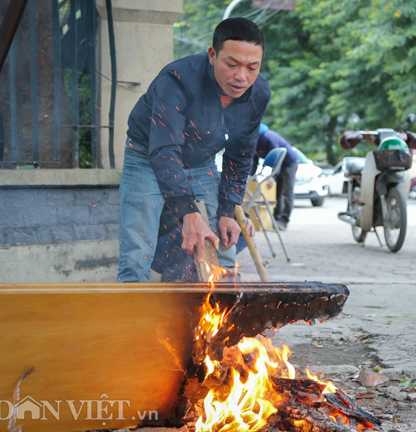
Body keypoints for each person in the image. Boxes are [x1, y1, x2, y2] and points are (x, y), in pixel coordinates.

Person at [117, 18, 271, 283]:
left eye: (252, 67)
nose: (241, 76)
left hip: (201, 163)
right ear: (213, 55)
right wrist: (189, 212)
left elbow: (241, 153)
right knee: (136, 254)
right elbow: (164, 150)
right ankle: (133, 320)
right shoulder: (176, 80)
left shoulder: (258, 94)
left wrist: (227, 210)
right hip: (147, 159)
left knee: (223, 245)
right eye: (232, 64)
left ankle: (219, 320)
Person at [251, 124, 298, 230]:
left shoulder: (269, 137)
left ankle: (283, 220)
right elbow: (254, 160)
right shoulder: (254, 141)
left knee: (286, 191)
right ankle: (276, 219)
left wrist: (272, 176)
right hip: (279, 164)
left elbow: (278, 157)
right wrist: (250, 175)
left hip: (288, 163)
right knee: (277, 192)